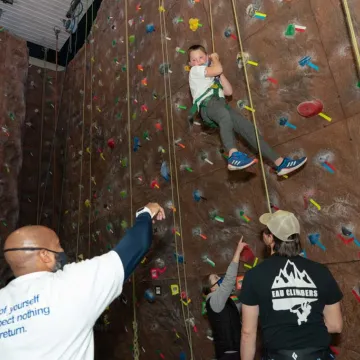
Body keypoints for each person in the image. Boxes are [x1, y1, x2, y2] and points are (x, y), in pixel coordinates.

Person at [0, 202, 165, 360]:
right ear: (45, 255)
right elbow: (135, 246)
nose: (62, 251)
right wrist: (146, 212)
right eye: (57, 246)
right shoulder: (69, 285)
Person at [188, 44, 307, 175]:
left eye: (200, 57)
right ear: (190, 63)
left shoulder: (212, 74)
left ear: (206, 57)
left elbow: (228, 91)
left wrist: (218, 74)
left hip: (220, 105)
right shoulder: (195, 71)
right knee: (223, 115)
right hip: (208, 105)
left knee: (248, 128)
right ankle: (233, 155)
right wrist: (215, 59)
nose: (197, 61)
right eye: (194, 60)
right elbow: (217, 69)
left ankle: (280, 163)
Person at [239, 210, 343, 360]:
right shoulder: (321, 272)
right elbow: (335, 325)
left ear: (269, 238)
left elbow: (248, 333)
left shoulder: (254, 275)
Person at [202, 238, 248, 360]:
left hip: (237, 350)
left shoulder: (225, 301)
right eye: (216, 278)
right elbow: (229, 280)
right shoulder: (213, 301)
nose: (220, 278)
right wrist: (238, 251)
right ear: (212, 288)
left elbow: (240, 309)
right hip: (228, 354)